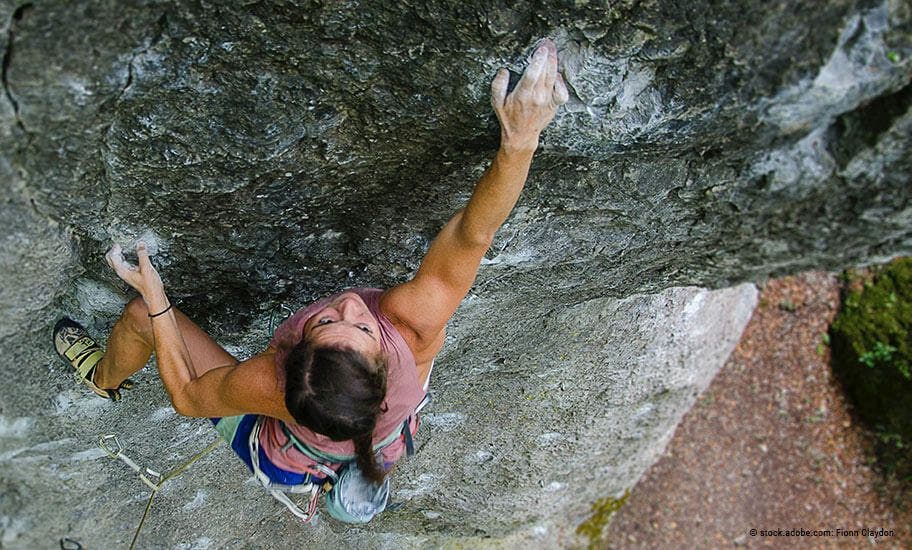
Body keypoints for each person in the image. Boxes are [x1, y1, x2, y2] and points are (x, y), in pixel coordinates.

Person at [53, 39, 568, 519]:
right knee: (358, 428)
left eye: (329, 322)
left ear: (288, 356)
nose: (350, 305)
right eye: (356, 326)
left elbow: (189, 397)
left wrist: (159, 301)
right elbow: (471, 236)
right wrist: (520, 142)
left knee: (140, 318)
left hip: (290, 454)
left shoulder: (271, 386)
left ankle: (103, 381)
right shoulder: (413, 330)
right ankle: (352, 470)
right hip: (377, 429)